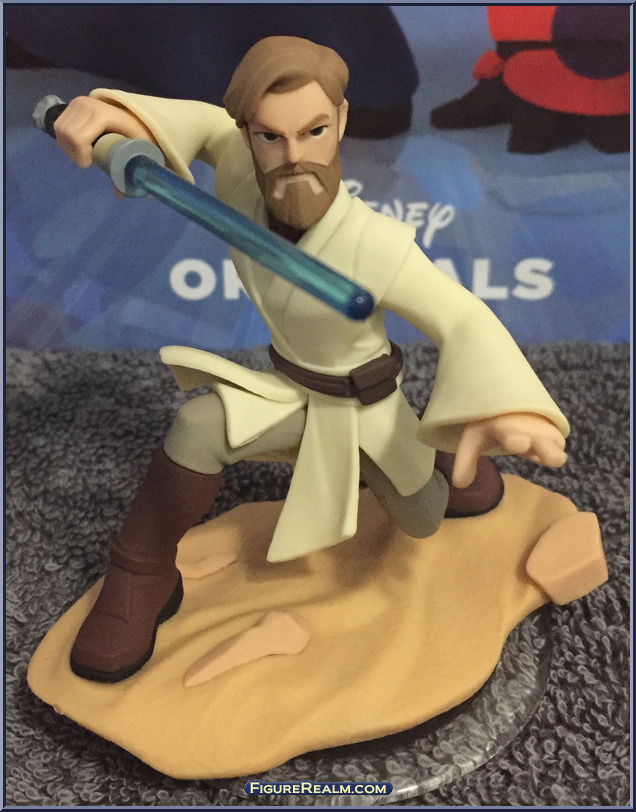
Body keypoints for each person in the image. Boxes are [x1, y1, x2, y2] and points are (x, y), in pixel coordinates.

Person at [53, 37, 568, 684]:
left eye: (314, 131)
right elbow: (205, 125)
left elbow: (461, 317)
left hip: (366, 409)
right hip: (290, 394)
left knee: (425, 517)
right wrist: (122, 118)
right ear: (250, 133)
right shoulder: (241, 175)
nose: (294, 156)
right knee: (198, 426)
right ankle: (141, 573)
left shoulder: (377, 245)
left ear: (342, 122)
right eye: (270, 136)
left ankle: (441, 447)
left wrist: (506, 405)